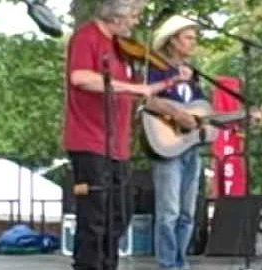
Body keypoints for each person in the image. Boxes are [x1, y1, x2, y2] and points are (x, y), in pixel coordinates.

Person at [62, 1, 193, 269]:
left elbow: (139, 93)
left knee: (119, 216)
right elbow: (80, 77)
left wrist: (167, 83)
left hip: (117, 146)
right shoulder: (87, 37)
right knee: (94, 219)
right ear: (116, 16)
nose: (135, 22)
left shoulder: (120, 49)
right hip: (90, 141)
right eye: (133, 16)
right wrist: (130, 88)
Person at [146, 15, 207, 270]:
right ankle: (168, 265)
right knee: (168, 212)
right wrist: (177, 114)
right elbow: (147, 100)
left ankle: (181, 263)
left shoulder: (194, 75)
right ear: (173, 40)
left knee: (187, 213)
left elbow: (203, 111)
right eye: (188, 37)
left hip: (190, 147)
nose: (193, 43)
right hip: (166, 145)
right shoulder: (156, 69)